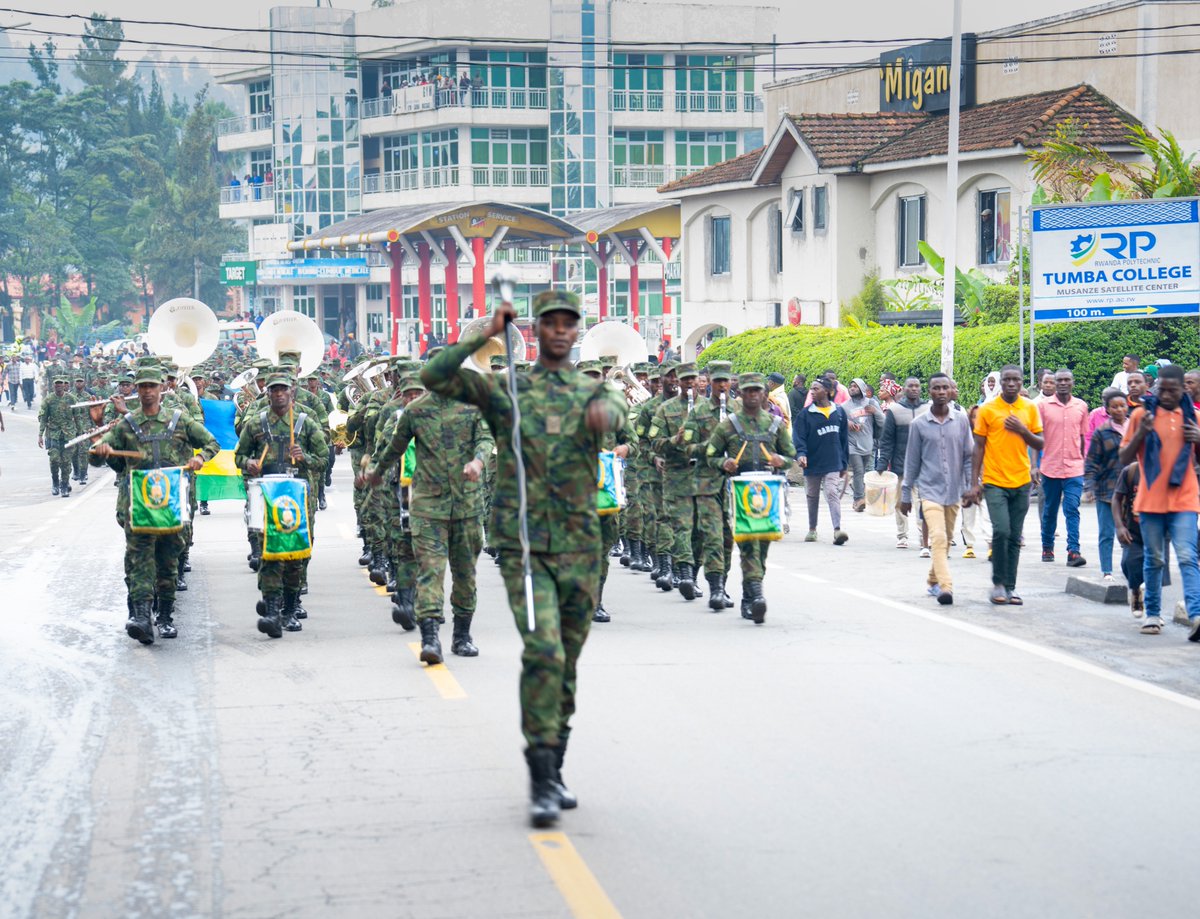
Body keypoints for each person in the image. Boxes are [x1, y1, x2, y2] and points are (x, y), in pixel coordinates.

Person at [422, 289, 628, 829]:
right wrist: (488, 331)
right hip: (525, 545)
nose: (559, 330)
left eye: (568, 323)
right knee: (543, 652)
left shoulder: (592, 389)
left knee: (567, 663)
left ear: (576, 331)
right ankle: (538, 777)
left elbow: (618, 414)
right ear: (535, 331)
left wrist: (606, 414)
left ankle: (555, 765)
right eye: (550, 323)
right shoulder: (505, 390)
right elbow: (435, 376)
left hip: (580, 545)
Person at [367, 362, 494, 663]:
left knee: (465, 575)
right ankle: (430, 638)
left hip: (466, 507)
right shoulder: (416, 411)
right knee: (430, 572)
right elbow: (395, 446)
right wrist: (377, 471)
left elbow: (486, 440)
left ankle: (462, 636)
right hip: (428, 507)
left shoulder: (472, 408)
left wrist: (478, 462)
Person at [90, 360, 219, 643]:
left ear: (161, 387)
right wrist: (101, 445)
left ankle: (165, 617)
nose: (147, 391)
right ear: (137, 390)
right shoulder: (127, 424)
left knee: (167, 562)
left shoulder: (179, 420)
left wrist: (200, 457)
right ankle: (140, 617)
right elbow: (99, 457)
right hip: (138, 505)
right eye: (142, 387)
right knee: (138, 561)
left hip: (170, 504)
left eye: (151, 386)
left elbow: (212, 443)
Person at [233, 369, 328, 638]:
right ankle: (273, 611)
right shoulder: (256, 424)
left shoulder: (305, 423)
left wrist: (305, 457)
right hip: (267, 495)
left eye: (283, 389)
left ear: (291, 392)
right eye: (274, 390)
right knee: (269, 552)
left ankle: (291, 607)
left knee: (295, 554)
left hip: (296, 496)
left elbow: (324, 460)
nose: (278, 394)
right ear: (268, 394)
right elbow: (239, 456)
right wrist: (249, 463)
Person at [1118, 364, 1200, 639]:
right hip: (1151, 500)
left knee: (1188, 557)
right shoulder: (1141, 415)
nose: (1165, 395)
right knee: (1154, 559)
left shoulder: (1193, 417)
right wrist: (1141, 433)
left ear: (1182, 390)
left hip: (1184, 499)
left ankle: (1196, 615)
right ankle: (1152, 614)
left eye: (1171, 390)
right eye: (1161, 389)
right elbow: (1124, 458)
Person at [706, 372, 796, 622]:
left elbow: (791, 455)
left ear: (764, 393)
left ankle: (748, 597)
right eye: (749, 391)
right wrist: (724, 463)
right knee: (748, 546)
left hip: (767, 491)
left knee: (762, 547)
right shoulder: (729, 425)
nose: (753, 395)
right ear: (741, 393)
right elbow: (710, 455)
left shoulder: (775, 424)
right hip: (740, 491)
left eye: (757, 390)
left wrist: (781, 460)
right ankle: (757, 596)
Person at [965, 365, 1044, 606]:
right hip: (994, 481)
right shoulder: (988, 410)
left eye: (1015, 380)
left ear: (1021, 382)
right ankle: (998, 583)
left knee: (1014, 536)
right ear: (1001, 383)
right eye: (1007, 380)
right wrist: (974, 483)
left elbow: (1039, 443)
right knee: (1001, 530)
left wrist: (1022, 430)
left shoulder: (1029, 408)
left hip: (1021, 481)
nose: (1011, 384)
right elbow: (978, 447)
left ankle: (1010, 587)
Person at [900, 373, 974, 605]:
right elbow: (912, 462)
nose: (941, 392)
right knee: (939, 537)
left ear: (950, 391)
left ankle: (933, 579)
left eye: (945, 388)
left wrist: (970, 487)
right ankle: (945, 587)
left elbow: (968, 456)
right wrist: (905, 494)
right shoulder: (919, 425)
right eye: (936, 388)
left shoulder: (961, 420)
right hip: (929, 490)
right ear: (929, 392)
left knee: (947, 538)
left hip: (954, 491)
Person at [1038, 368, 1089, 567]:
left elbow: (1083, 437)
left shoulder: (1081, 406)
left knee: (1072, 508)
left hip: (1074, 468)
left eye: (1067, 380)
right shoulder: (1043, 406)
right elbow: (1037, 436)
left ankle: (1073, 551)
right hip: (1050, 467)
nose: (1063, 383)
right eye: (1059, 380)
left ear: (1072, 383)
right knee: (1050, 509)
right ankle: (1047, 547)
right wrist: (1035, 465)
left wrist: (1083, 461)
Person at [795, 377, 849, 544]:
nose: (812, 391)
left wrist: (844, 463)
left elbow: (844, 439)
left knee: (832, 492)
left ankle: (837, 530)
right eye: (811, 389)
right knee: (812, 495)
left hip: (833, 461)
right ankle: (812, 529)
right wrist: (801, 453)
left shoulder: (838, 412)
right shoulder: (806, 414)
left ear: (827, 391)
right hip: (812, 461)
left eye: (816, 388)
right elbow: (799, 437)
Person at [876, 377, 927, 548]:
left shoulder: (927, 409)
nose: (914, 389)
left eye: (917, 386)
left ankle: (923, 535)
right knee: (900, 502)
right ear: (903, 389)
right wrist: (882, 464)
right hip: (900, 466)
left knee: (922, 503)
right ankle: (902, 535)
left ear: (920, 389)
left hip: (922, 467)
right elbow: (887, 440)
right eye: (910, 386)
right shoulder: (895, 410)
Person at [1083, 389, 1128, 582]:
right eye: (1114, 406)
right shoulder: (1102, 432)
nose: (1119, 409)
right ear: (1108, 409)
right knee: (1107, 532)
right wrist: (1089, 486)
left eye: (1122, 405)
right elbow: (1092, 461)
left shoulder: (1135, 428)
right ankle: (1107, 570)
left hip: (1131, 489)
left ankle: (1129, 568)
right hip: (1106, 488)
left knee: (1131, 531)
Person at [845, 377, 884, 512]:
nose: (852, 388)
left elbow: (883, 422)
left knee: (866, 472)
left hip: (868, 443)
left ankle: (863, 496)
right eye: (851, 386)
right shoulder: (844, 407)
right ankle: (858, 499)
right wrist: (847, 423)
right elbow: (838, 421)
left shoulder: (871, 403)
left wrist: (875, 411)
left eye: (855, 386)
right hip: (852, 444)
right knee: (858, 470)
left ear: (862, 388)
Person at [38, 374, 80, 497]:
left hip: (69, 434)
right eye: (56, 384)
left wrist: (80, 433)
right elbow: (43, 418)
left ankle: (64, 485)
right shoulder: (48, 400)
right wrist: (40, 434)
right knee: (54, 460)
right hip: (53, 434)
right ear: (53, 385)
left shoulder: (71, 399)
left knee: (66, 462)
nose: (59, 385)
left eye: (61, 383)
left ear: (64, 385)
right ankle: (55, 483)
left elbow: (77, 417)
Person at [1113, 463, 1145, 617]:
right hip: (1133, 531)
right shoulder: (1130, 471)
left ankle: (1154, 611)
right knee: (1128, 563)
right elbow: (1116, 499)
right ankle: (1136, 589)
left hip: (1157, 530)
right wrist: (1120, 526)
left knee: (1156, 567)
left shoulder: (1164, 469)